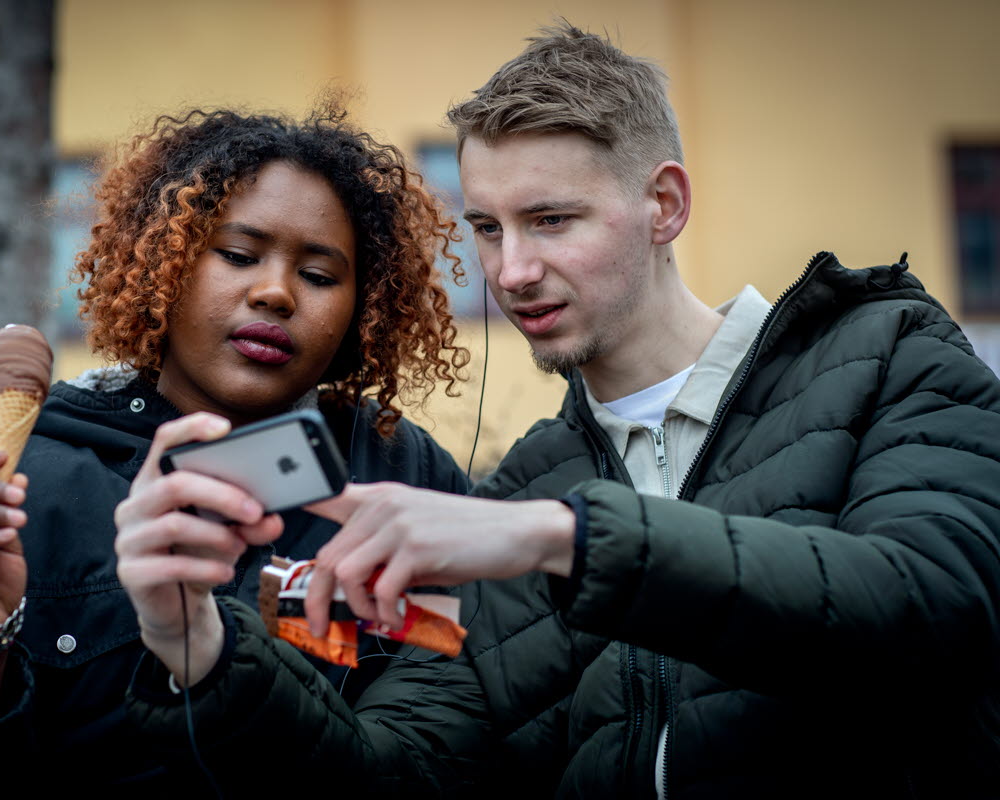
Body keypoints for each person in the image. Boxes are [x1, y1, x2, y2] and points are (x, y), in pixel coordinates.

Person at [120, 23, 1000, 799]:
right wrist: (196, 646)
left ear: (664, 205)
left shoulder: (887, 355)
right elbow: (395, 770)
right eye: (489, 229)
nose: (510, 273)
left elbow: (935, 607)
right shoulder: (519, 495)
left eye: (550, 221)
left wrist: (565, 542)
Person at [0, 104, 473, 795]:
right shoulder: (18, 492)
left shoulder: (409, 479)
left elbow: (440, 755)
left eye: (320, 276)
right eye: (236, 255)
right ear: (163, 265)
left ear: (366, 307)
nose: (274, 293)